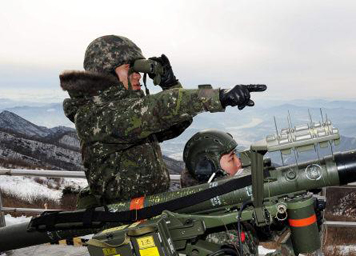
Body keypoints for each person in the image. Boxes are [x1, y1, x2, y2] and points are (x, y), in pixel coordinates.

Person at [60, 35, 266, 207]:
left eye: (139, 69)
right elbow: (157, 110)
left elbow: (173, 123)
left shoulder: (128, 113)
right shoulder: (96, 116)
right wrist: (217, 96)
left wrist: (171, 84)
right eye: (128, 68)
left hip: (149, 209)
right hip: (124, 220)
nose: (138, 76)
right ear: (107, 73)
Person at [181, 130, 311, 256]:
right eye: (231, 158)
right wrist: (290, 251)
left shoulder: (227, 203)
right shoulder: (209, 229)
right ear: (207, 169)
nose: (239, 163)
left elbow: (259, 235)